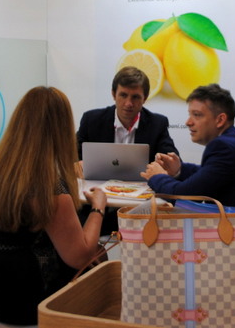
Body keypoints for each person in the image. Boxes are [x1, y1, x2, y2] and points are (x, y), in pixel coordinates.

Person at [0, 86, 107, 325]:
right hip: (31, 305)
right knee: (98, 259)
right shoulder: (49, 190)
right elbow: (80, 257)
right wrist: (98, 207)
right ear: (61, 130)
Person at [141, 83, 235, 245]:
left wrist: (157, 177)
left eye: (197, 115)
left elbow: (184, 197)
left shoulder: (225, 148)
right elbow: (209, 174)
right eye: (190, 114)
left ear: (220, 120)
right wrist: (179, 170)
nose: (188, 122)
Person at [76, 66, 179, 233]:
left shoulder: (157, 123)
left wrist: (170, 165)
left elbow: (169, 157)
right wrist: (78, 163)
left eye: (135, 97)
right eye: (123, 95)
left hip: (139, 204)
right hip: (95, 195)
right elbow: (73, 154)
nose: (128, 103)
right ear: (113, 94)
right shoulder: (92, 119)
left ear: (145, 98)